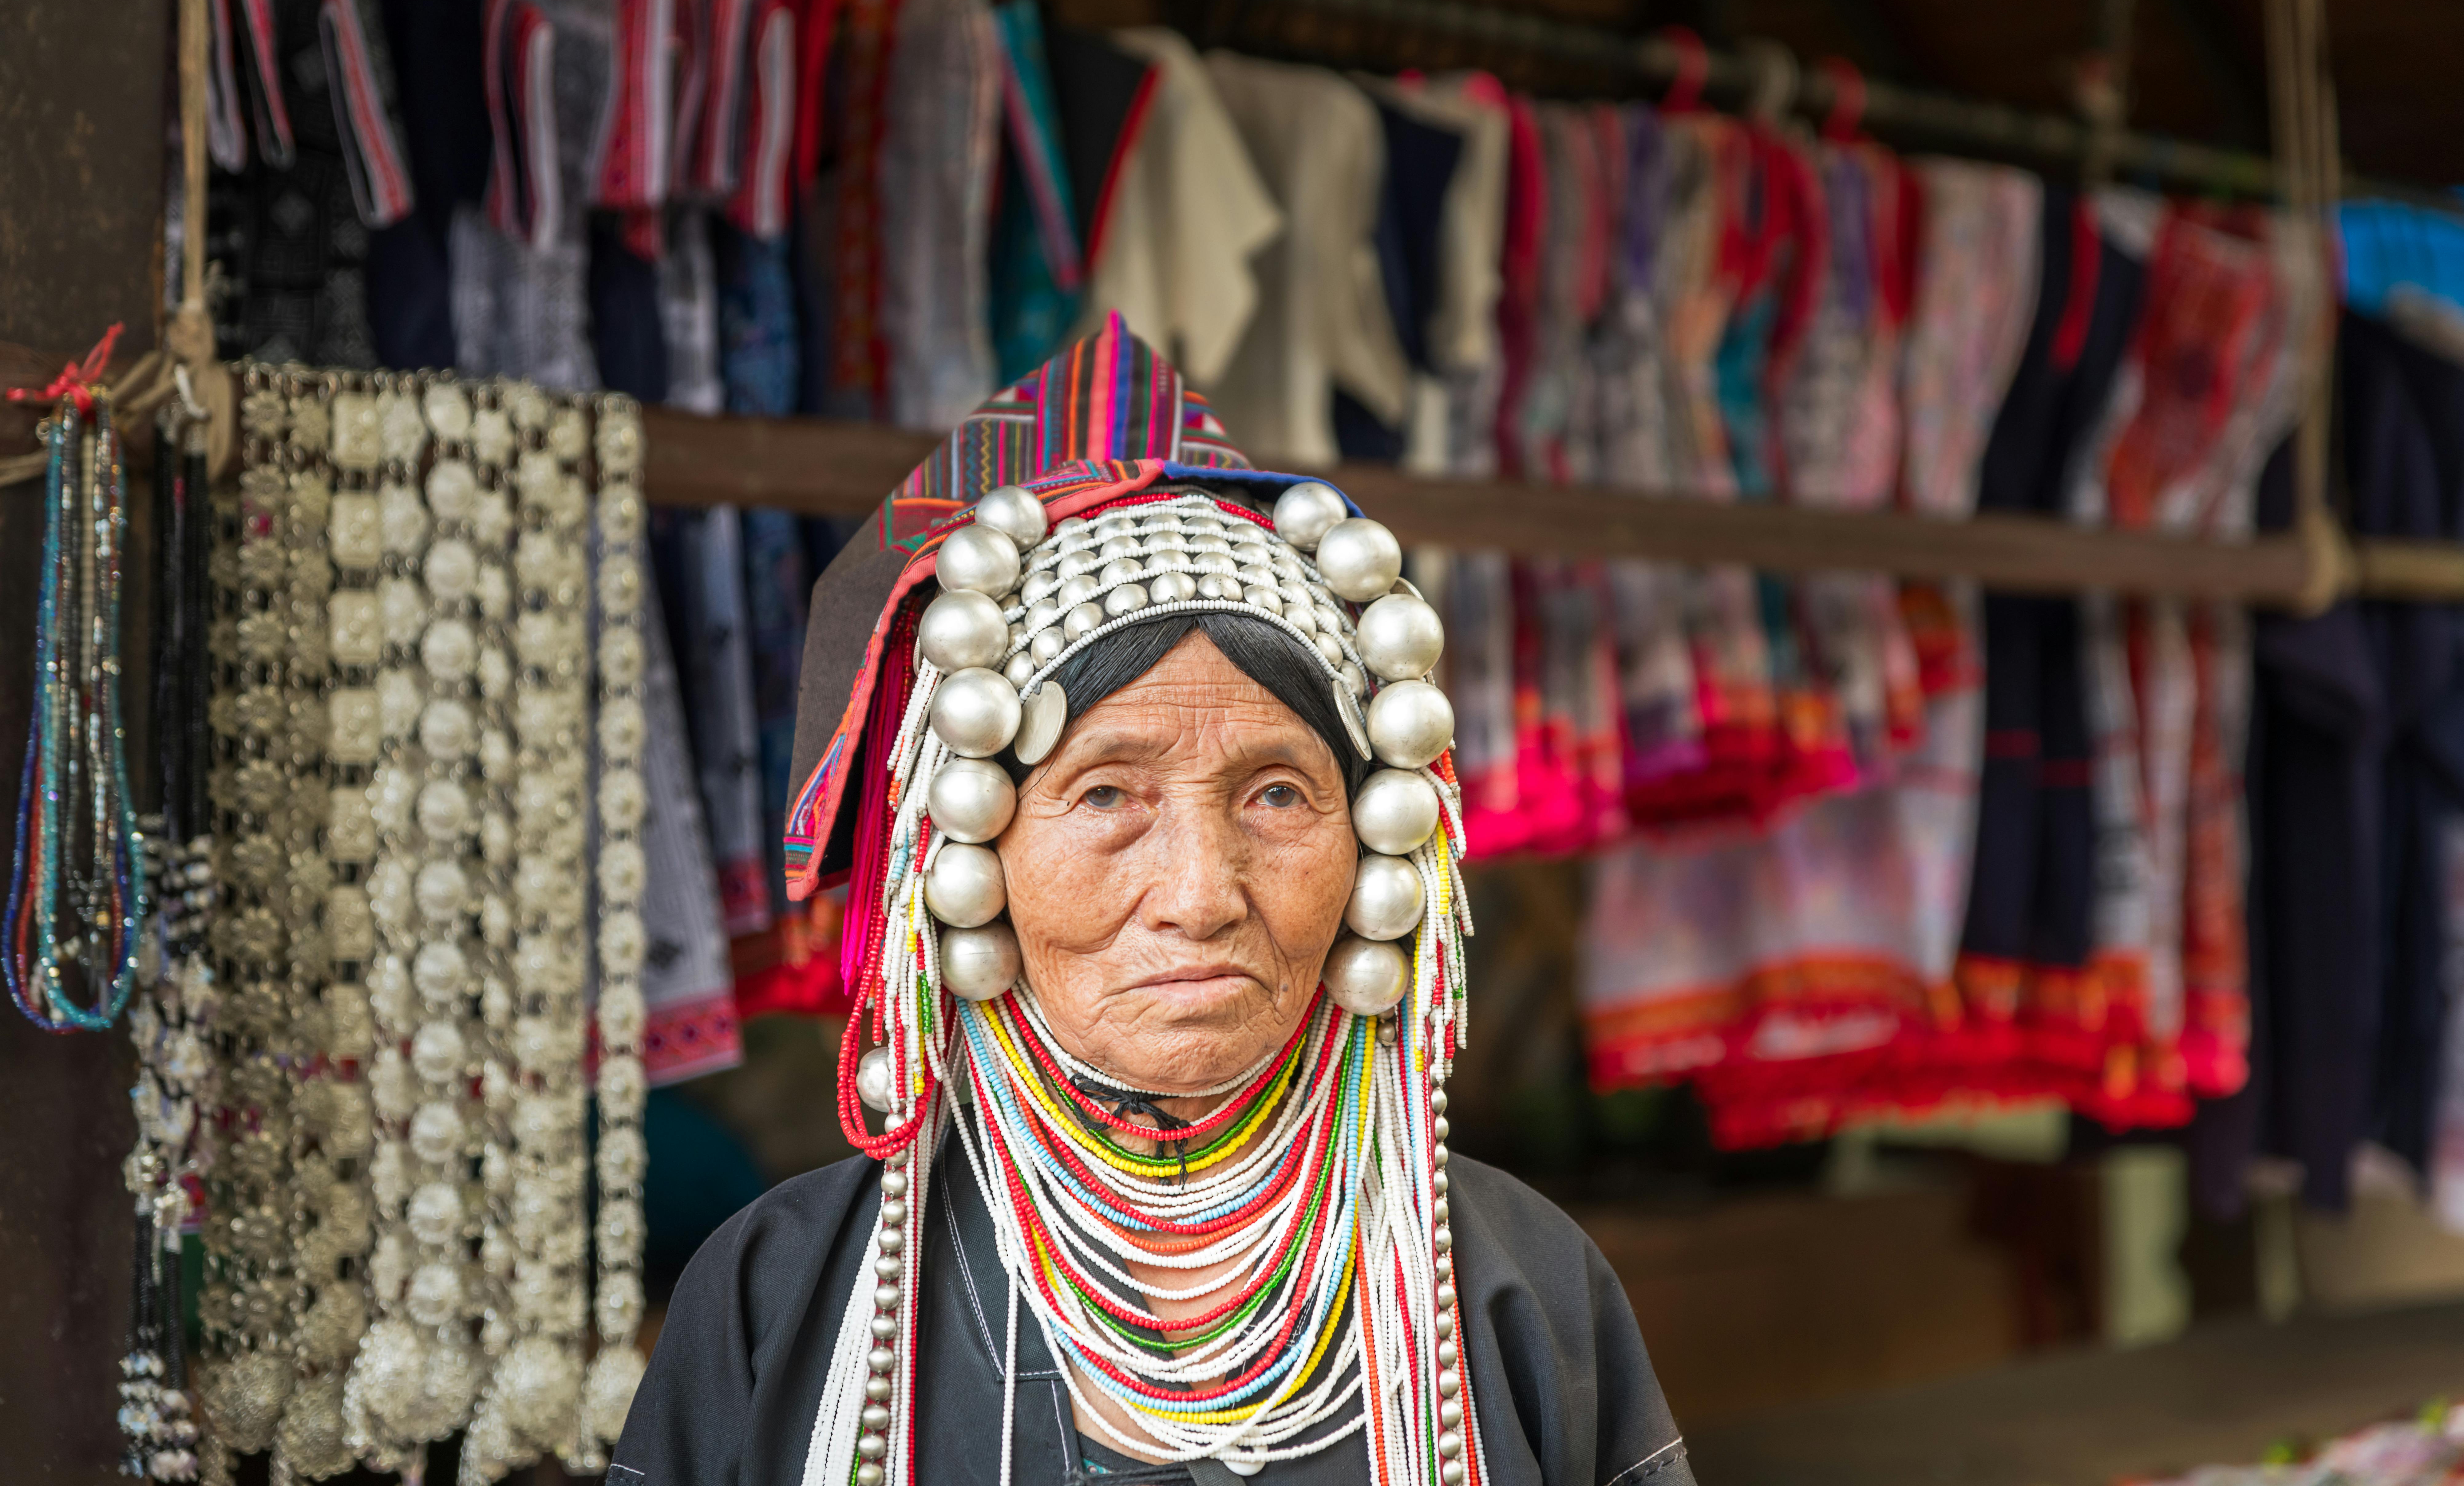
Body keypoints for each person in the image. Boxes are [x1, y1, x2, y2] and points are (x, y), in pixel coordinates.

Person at [609, 317, 1693, 1485]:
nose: (1200, 895)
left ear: (1382, 848)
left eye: (1279, 795)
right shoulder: (783, 1295)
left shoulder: (1521, 1288)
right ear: (970, 854)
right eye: (1107, 794)